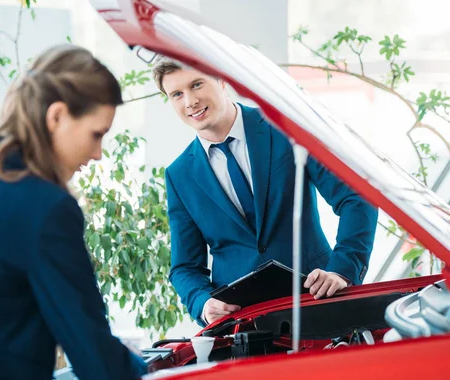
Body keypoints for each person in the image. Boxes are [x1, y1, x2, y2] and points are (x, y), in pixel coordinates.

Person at [0, 44, 147, 380]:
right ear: (56, 116)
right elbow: (100, 368)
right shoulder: (45, 208)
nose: (97, 154)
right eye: (96, 134)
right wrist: (138, 363)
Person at [153, 56, 379, 326]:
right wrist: (202, 303)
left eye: (197, 84)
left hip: (316, 302)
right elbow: (185, 266)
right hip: (241, 324)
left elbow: (356, 197)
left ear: (221, 78)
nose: (190, 101)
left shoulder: (285, 127)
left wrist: (342, 270)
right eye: (177, 94)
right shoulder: (179, 175)